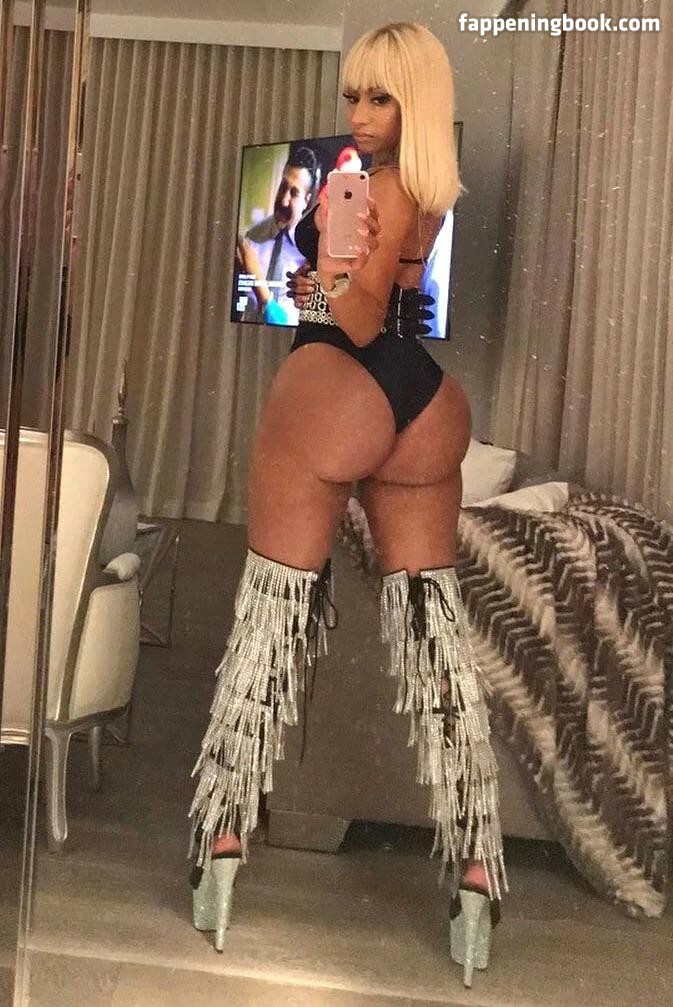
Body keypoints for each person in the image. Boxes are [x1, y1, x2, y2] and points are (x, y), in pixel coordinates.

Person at [189, 22, 509, 987]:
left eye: (379, 97)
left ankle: (220, 846)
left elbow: (358, 317)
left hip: (335, 388)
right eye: (352, 98)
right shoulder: (432, 190)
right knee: (433, 628)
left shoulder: (372, 186)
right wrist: (336, 277)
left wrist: (320, 282)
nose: (359, 116)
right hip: (425, 402)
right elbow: (395, 309)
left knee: (271, 615)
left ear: (414, 101)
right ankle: (476, 872)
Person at [236, 146, 318, 324]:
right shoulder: (252, 237)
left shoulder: (312, 249)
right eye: (283, 186)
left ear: (306, 200)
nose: (284, 200)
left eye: (294, 193)